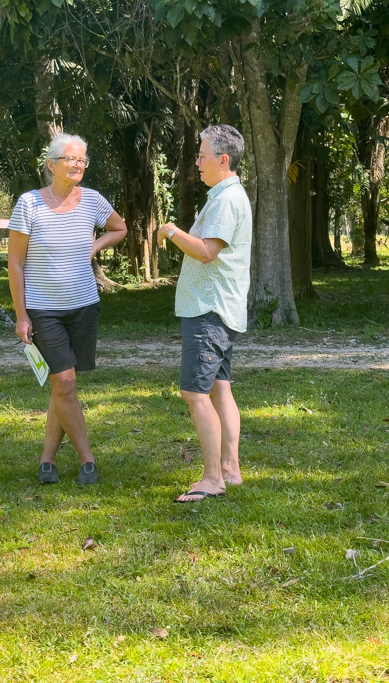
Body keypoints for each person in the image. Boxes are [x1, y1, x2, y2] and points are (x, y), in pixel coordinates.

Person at [8, 133, 127, 485]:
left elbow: (119, 228)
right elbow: (15, 263)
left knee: (64, 387)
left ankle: (47, 461)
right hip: (43, 309)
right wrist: (21, 314)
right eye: (71, 159)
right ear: (51, 165)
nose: (78, 165)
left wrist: (95, 246)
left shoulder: (92, 201)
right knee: (64, 381)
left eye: (82, 160)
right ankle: (88, 461)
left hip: (84, 306)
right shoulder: (29, 204)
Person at [157, 124, 252, 502]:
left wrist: (171, 232)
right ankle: (230, 469)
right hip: (219, 308)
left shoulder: (227, 198)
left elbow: (207, 251)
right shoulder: (225, 195)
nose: (196, 162)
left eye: (201, 155)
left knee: (194, 392)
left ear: (222, 159)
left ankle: (212, 478)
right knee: (219, 390)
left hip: (209, 310)